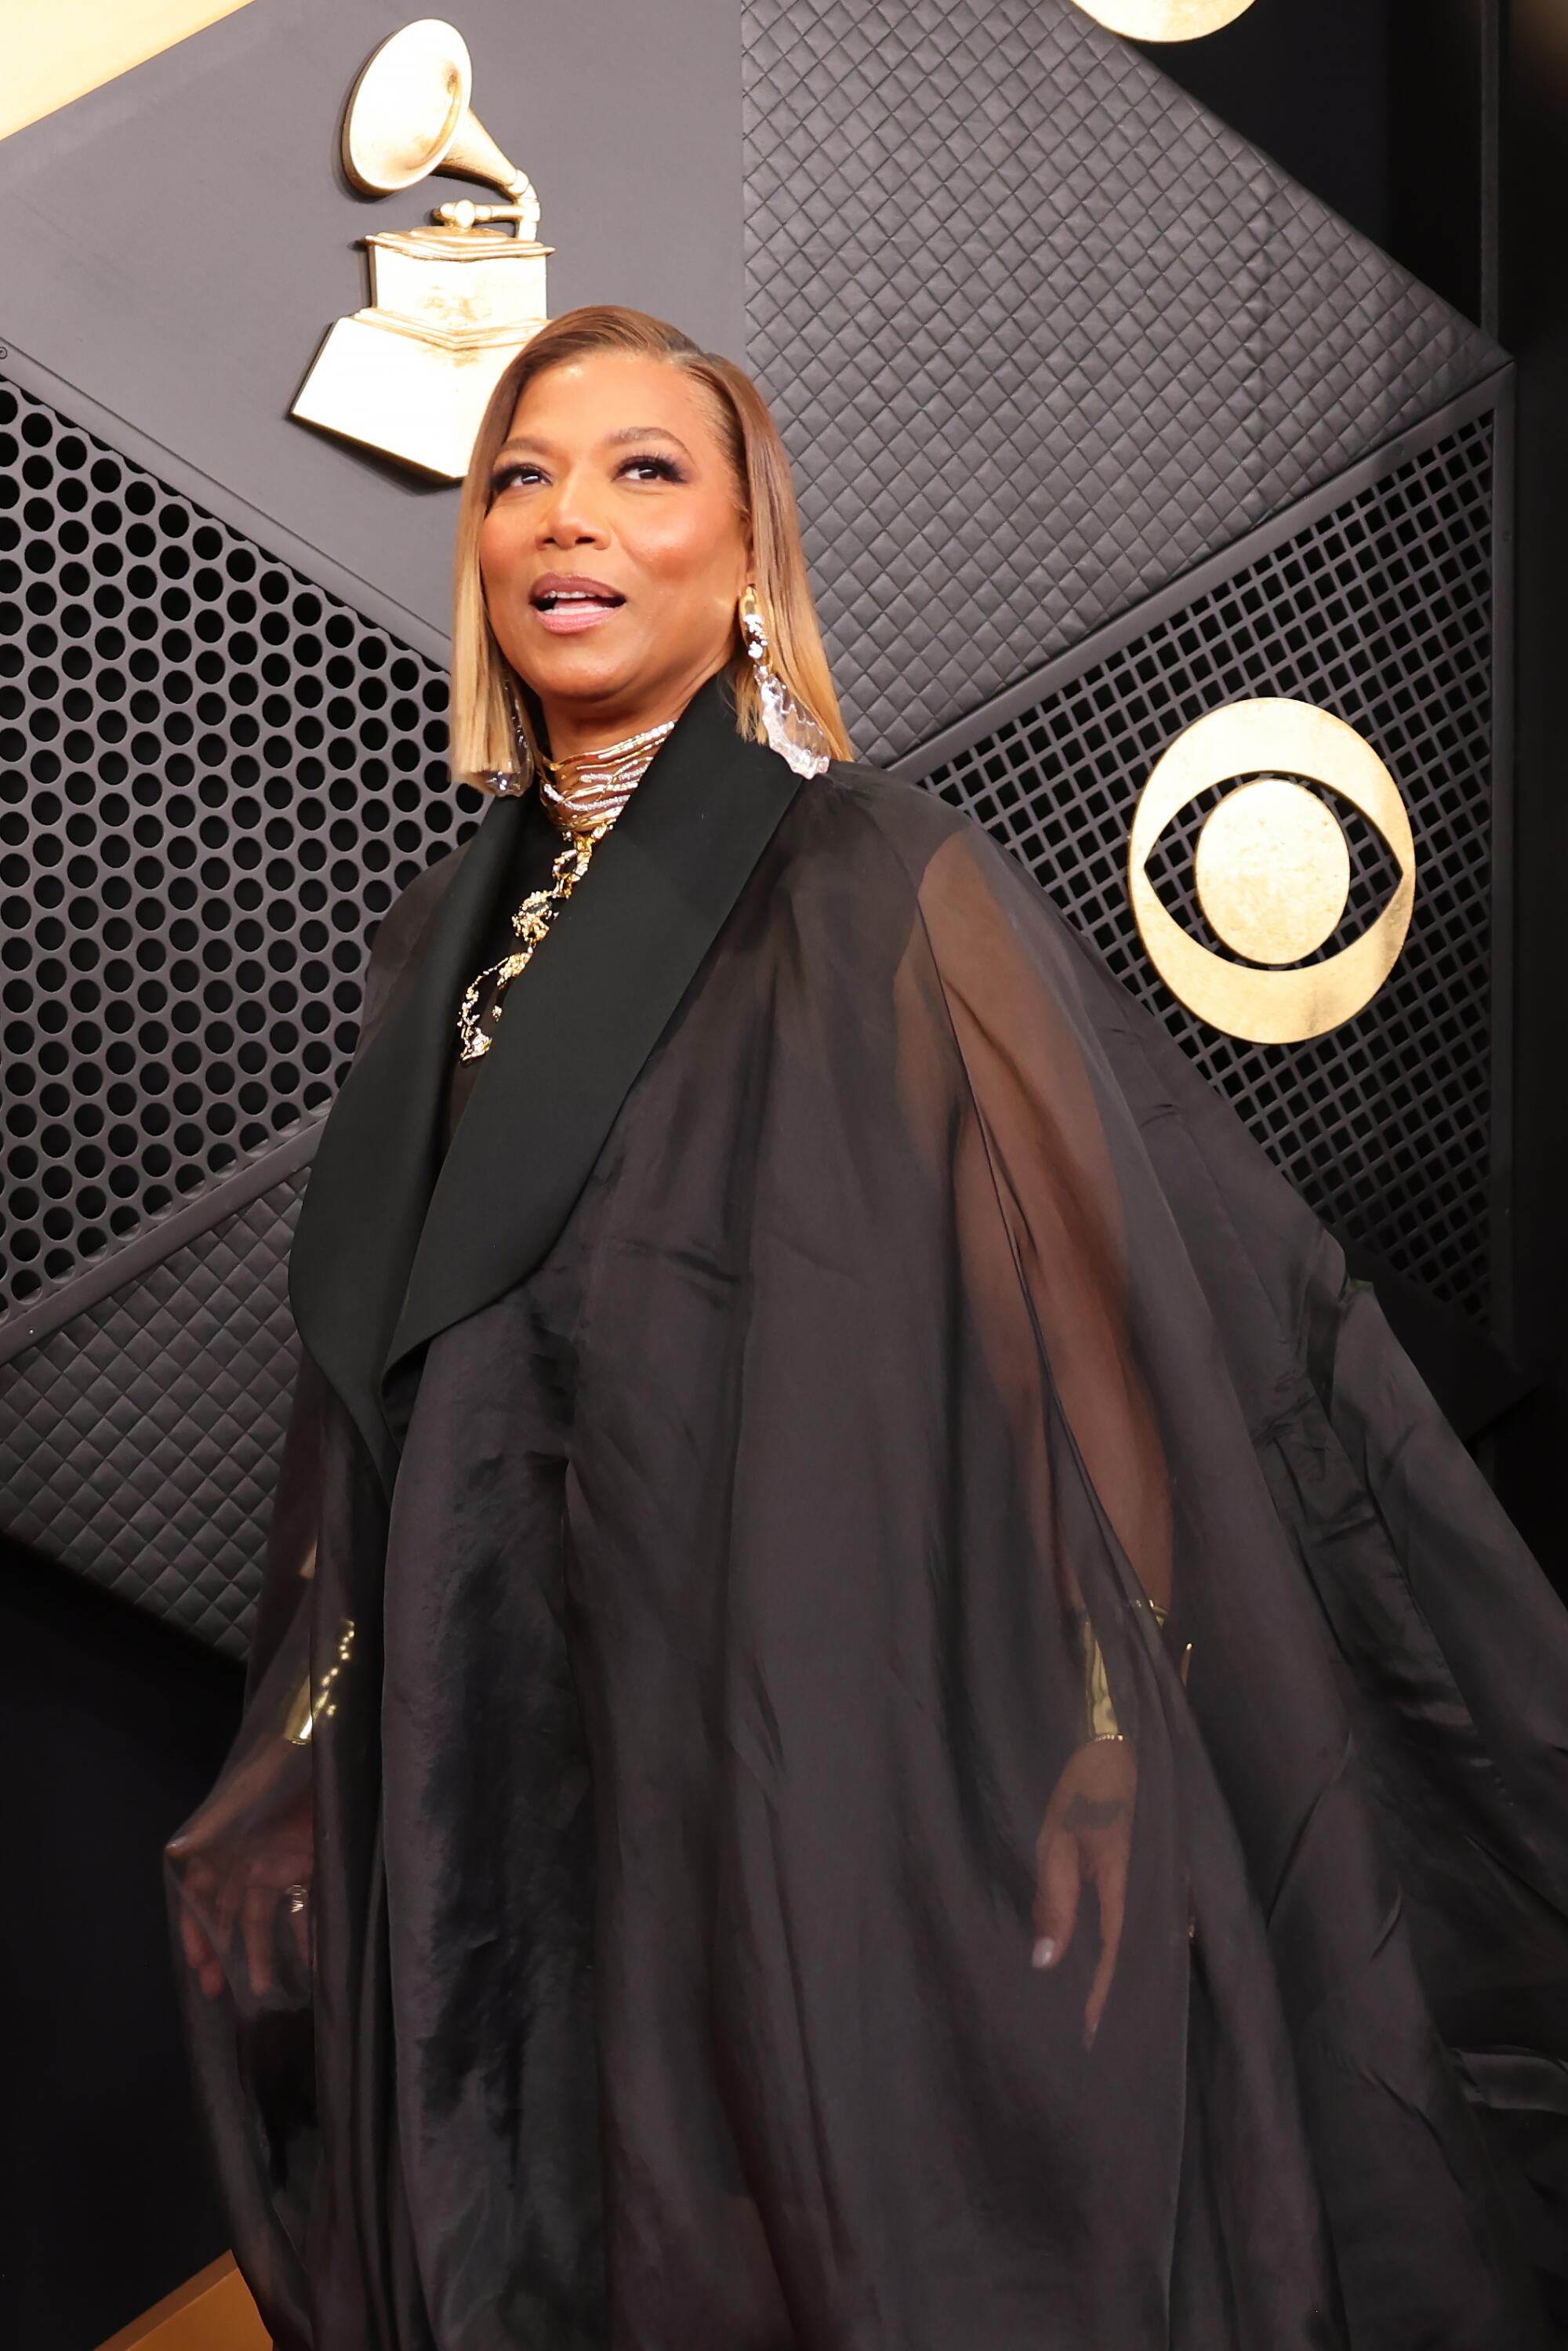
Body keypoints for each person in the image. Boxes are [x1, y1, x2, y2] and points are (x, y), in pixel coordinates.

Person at [167, 306, 1568, 2351]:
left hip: (840, 1738)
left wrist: (1097, 1743)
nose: (575, 520)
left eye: (648, 471)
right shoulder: (431, 948)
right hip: (519, 1741)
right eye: (522, 477)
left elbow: (1086, 1326)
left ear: (747, 554)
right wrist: (303, 1733)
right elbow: (373, 1395)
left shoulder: (872, 880)